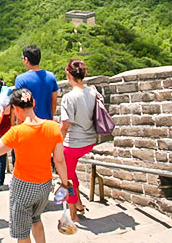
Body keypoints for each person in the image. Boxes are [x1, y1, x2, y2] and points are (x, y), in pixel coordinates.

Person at [0, 89, 71, 243]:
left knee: (22, 232)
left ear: (15, 109)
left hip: (23, 186)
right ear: (33, 103)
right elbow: (59, 160)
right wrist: (65, 185)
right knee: (36, 220)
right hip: (44, 184)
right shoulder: (53, 127)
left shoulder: (17, 132)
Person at [60, 59, 98, 222]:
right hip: (90, 140)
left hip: (73, 144)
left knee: (66, 178)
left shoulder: (69, 97)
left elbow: (65, 125)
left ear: (68, 74)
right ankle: (79, 205)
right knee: (70, 173)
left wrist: (57, 144)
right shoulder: (93, 91)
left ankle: (73, 214)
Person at [14, 45, 59, 120]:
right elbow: (54, 102)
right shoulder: (51, 77)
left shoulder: (21, 79)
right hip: (47, 123)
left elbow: (20, 105)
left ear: (26, 59)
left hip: (30, 124)